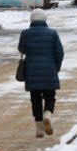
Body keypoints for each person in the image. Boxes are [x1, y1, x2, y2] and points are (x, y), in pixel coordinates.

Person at [18, 8, 63, 138]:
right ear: (45, 19)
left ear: (32, 20)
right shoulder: (53, 33)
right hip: (49, 70)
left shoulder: (25, 33)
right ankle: (47, 114)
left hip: (32, 71)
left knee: (35, 99)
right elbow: (59, 52)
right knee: (50, 97)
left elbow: (21, 49)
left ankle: (39, 129)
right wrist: (56, 67)